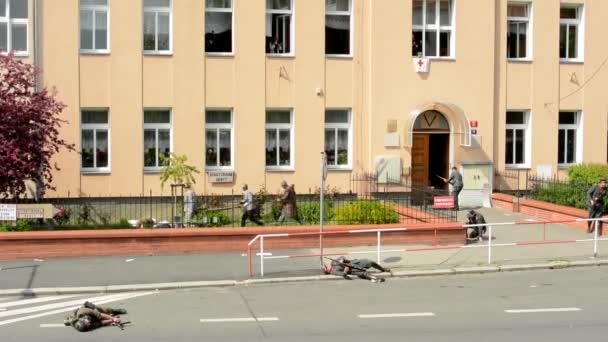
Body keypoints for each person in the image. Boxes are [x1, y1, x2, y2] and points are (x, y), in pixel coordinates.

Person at [323, 256, 392, 283]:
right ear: (328, 270)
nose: (327, 265)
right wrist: (346, 270)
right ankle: (376, 279)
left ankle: (383, 269)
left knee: (370, 262)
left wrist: (342, 260)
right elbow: (343, 274)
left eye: (325, 265)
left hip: (354, 262)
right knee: (363, 273)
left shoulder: (333, 262)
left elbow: (342, 257)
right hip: (352, 270)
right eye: (326, 267)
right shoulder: (333, 271)